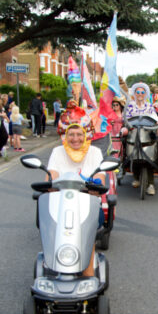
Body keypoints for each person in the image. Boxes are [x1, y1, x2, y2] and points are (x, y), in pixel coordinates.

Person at [47, 116, 104, 277]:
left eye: (79, 134)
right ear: (65, 136)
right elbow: (52, 175)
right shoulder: (57, 152)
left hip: (87, 203)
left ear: (86, 135)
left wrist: (96, 186)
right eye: (71, 134)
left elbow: (100, 177)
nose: (75, 138)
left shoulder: (95, 152)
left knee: (88, 230)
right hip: (61, 203)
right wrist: (50, 184)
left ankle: (89, 272)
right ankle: (53, 266)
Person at [125, 82, 158, 195]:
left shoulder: (149, 106)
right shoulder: (130, 105)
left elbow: (154, 117)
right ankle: (136, 177)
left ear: (145, 94)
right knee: (133, 156)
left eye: (142, 92)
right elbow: (126, 117)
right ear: (135, 93)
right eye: (138, 92)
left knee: (149, 159)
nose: (140, 94)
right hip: (133, 134)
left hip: (146, 134)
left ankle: (150, 184)